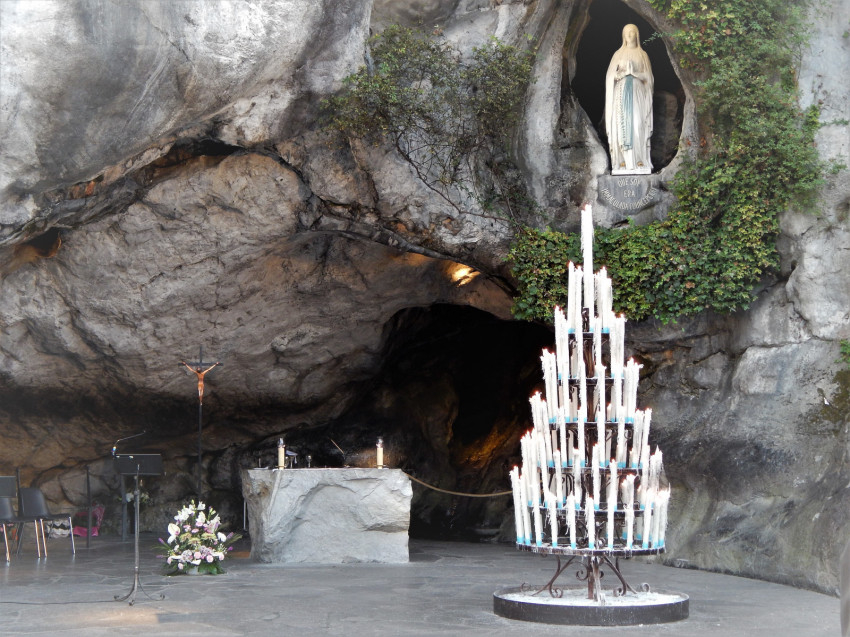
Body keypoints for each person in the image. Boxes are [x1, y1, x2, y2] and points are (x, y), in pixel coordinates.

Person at [605, 24, 654, 174]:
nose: (629, 35)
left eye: (632, 32)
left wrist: (635, 74)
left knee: (638, 125)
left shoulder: (643, 55)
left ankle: (639, 160)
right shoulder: (618, 54)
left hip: (637, 93)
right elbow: (610, 76)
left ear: (637, 34)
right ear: (623, 36)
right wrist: (620, 75)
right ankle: (623, 161)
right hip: (621, 94)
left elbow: (649, 78)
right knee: (621, 126)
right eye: (626, 32)